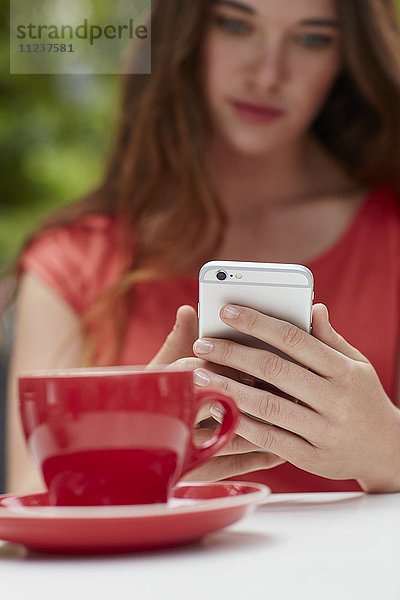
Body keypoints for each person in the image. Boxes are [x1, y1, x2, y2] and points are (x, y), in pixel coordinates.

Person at [6, 0, 400, 494]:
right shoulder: (74, 259)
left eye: (311, 37)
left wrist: (388, 447)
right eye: (236, 24)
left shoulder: (391, 236)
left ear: (346, 57)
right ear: (186, 34)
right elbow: (27, 515)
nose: (267, 73)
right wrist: (132, 463)